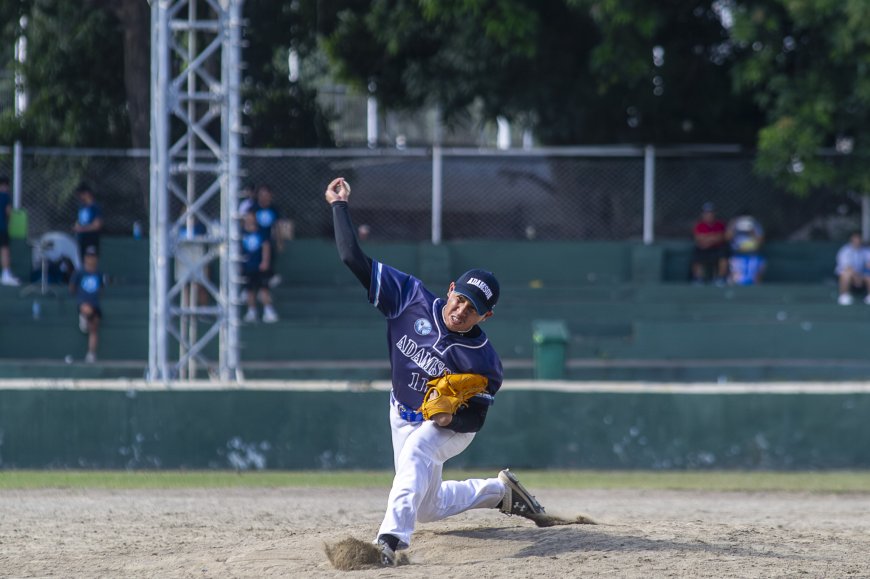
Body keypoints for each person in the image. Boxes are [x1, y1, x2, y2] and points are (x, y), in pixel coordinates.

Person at [324, 176, 545, 567]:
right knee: (427, 506)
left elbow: (477, 414)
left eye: (473, 308)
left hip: (450, 428)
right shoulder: (408, 297)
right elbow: (351, 258)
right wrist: (339, 206)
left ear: (486, 315)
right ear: (451, 287)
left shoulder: (483, 358)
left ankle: (387, 543)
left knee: (419, 451)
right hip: (400, 411)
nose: (460, 310)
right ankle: (500, 493)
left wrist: (451, 415)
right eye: (460, 298)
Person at [240, 210, 278, 323]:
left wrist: (265, 262)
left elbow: (266, 247)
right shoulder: (241, 233)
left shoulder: (261, 232)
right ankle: (251, 311)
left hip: (259, 266)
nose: (249, 219)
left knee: (264, 289)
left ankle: (268, 311)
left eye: (251, 217)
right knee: (249, 290)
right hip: (247, 266)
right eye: (247, 216)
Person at [70, 246, 104, 363]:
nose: (91, 259)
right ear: (85, 258)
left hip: (95, 304)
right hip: (83, 303)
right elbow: (72, 287)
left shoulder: (99, 274)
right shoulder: (80, 273)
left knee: (94, 327)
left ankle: (91, 353)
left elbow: (101, 290)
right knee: (87, 310)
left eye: (93, 257)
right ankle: (83, 317)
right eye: (89, 257)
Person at [691, 202, 729, 285]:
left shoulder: (720, 224)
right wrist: (713, 238)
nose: (709, 215)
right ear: (703, 214)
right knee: (697, 255)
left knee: (723, 256)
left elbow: (722, 237)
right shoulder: (699, 225)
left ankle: (720, 279)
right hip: (703, 248)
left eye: (711, 213)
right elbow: (698, 238)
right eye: (706, 213)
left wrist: (707, 239)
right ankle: (698, 279)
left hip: (717, 248)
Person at [726, 209, 766, 286]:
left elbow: (761, 242)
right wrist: (733, 225)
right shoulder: (734, 225)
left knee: (757, 269)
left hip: (753, 255)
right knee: (736, 278)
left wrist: (751, 230)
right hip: (737, 255)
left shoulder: (755, 225)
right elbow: (727, 238)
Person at [835, 232, 870, 305]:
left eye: (859, 238)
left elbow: (868, 264)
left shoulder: (866, 251)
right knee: (846, 274)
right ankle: (844, 296)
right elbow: (847, 267)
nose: (857, 241)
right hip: (849, 275)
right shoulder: (845, 250)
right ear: (851, 239)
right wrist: (856, 277)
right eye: (855, 238)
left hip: (861, 275)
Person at [72, 183, 103, 260]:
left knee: (90, 261)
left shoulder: (95, 207)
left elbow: (97, 226)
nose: (79, 197)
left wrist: (81, 229)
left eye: (81, 194)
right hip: (81, 240)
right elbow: (80, 221)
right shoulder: (81, 207)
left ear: (87, 193)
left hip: (91, 240)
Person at [0, 175, 21, 286]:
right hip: (2, 227)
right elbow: (8, 212)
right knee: (5, 251)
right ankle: (5, 275)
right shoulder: (5, 196)